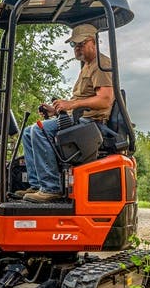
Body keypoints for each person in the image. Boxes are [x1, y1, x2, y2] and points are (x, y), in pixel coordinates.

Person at [18, 23, 114, 203]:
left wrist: (71, 104)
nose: (76, 48)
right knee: (28, 132)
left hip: (92, 124)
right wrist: (56, 110)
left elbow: (105, 99)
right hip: (80, 119)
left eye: (80, 44)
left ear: (93, 42)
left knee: (40, 130)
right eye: (73, 45)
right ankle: (38, 184)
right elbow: (80, 101)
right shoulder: (86, 66)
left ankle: (51, 188)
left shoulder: (101, 65)